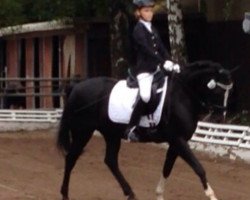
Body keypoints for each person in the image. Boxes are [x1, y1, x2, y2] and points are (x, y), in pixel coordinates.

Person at [124, 0, 181, 141]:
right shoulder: (138, 29)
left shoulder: (152, 28)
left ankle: (159, 123)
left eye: (151, 11)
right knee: (145, 96)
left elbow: (161, 48)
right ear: (138, 13)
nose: (150, 14)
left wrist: (172, 62)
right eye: (146, 11)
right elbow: (147, 50)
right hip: (144, 70)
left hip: (156, 70)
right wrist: (162, 63)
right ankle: (131, 128)